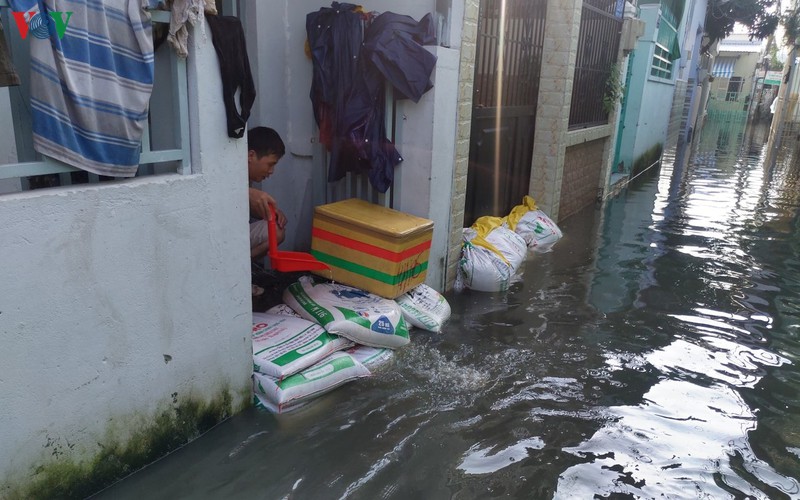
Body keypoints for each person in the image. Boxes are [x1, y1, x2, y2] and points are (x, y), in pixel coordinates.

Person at [247, 127, 288, 260]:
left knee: (276, 229)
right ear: (251, 155)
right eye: (270, 164)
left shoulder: (247, 178)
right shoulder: (226, 174)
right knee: (275, 232)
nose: (271, 171)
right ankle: (236, 268)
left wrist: (270, 213)